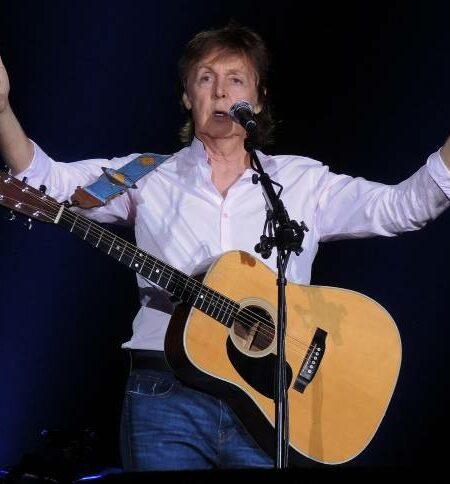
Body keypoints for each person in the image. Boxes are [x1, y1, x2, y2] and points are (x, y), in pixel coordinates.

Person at [1, 23, 450, 471]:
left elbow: (402, 207)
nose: (220, 91)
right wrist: (2, 110)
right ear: (187, 97)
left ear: (258, 99)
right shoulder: (144, 176)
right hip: (167, 395)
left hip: (271, 404)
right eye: (205, 78)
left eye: (235, 79)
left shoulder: (301, 182)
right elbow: (47, 184)